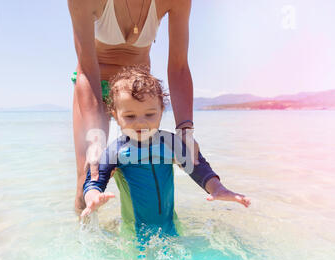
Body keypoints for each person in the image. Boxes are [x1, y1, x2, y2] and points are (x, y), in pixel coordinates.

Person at [81, 66, 250, 240]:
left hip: (171, 225)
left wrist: (217, 188)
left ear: (162, 110)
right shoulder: (115, 151)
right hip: (134, 232)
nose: (141, 123)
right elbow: (95, 178)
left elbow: (197, 167)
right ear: (115, 116)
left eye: (150, 114)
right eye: (130, 116)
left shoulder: (170, 143)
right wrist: (93, 196)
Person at [68, 0, 199, 212]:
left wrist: (186, 131)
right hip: (94, 86)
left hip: (137, 95)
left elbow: (179, 67)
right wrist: (95, 139)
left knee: (143, 169)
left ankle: (136, 233)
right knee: (88, 177)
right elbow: (86, 71)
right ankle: (84, 241)